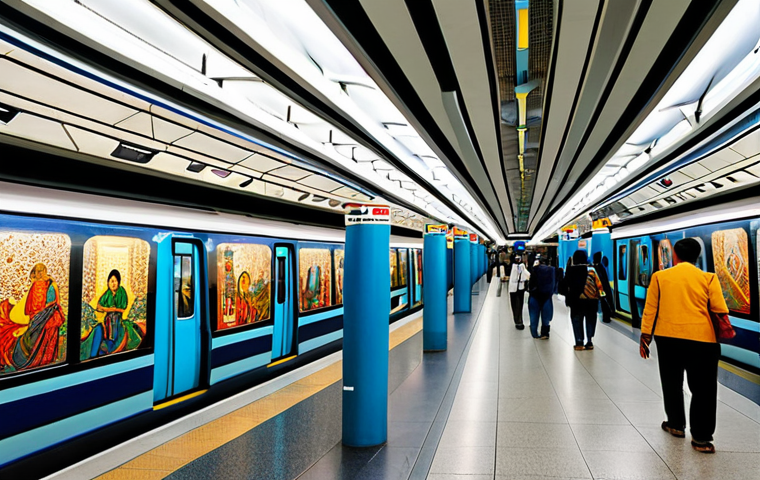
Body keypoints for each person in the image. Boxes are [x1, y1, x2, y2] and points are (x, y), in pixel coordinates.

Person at [639, 238, 727, 454]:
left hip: (668, 338)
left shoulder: (660, 277)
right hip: (703, 339)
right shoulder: (708, 278)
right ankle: (702, 438)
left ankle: (676, 425)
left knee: (671, 383)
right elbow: (719, 309)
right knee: (704, 389)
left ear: (675, 256)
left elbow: (650, 309)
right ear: (696, 256)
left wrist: (645, 338)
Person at [11, 263, 65, 370]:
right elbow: (32, 305)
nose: (40, 274)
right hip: (40, 317)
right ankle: (36, 360)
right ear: (35, 273)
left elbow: (55, 301)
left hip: (50, 317)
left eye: (42, 271)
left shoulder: (50, 284)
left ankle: (47, 360)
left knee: (47, 338)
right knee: (33, 339)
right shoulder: (36, 285)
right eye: (38, 271)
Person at [560, 250, 609, 350]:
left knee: (576, 320)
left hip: (576, 301)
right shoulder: (591, 270)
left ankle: (579, 342)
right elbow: (599, 285)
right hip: (591, 301)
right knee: (590, 319)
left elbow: (564, 286)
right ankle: (589, 341)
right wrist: (603, 296)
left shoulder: (570, 270)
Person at [528, 257, 555, 339]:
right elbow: (554, 283)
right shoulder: (552, 270)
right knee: (546, 316)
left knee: (533, 316)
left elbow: (530, 283)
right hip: (546, 295)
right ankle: (545, 332)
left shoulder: (534, 269)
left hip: (534, 295)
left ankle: (534, 333)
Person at [508, 256, 530, 329]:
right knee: (515, 305)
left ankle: (519, 321)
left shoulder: (521, 266)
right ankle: (518, 320)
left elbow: (527, 275)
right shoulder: (512, 266)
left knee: (519, 304)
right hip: (514, 288)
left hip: (520, 287)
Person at [593, 252, 615, 323]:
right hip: (602, 288)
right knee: (605, 302)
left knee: (603, 302)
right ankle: (607, 317)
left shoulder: (594, 267)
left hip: (599, 288)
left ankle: (606, 316)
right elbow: (603, 279)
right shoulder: (600, 267)